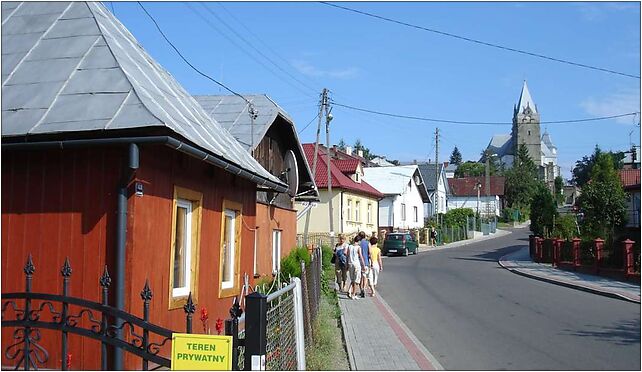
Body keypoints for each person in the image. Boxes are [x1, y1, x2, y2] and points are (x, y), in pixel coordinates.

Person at [347, 235, 363, 299]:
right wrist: (363, 265)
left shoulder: (349, 246)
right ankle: (354, 294)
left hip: (350, 264)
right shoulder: (358, 247)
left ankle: (350, 290)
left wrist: (346, 265)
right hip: (356, 264)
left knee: (352, 279)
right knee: (356, 280)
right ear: (359, 241)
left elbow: (347, 255)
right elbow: (361, 256)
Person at [358, 231, 370, 298]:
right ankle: (364, 288)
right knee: (364, 276)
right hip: (365, 261)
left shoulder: (358, 243)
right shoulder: (368, 243)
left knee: (360, 277)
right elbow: (370, 252)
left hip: (359, 262)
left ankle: (361, 289)